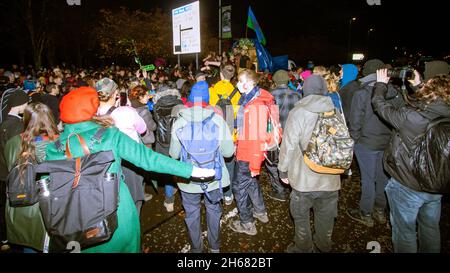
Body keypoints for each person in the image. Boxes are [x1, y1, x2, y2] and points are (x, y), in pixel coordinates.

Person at [44, 86, 213, 253]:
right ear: (91, 110)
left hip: (74, 222)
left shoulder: (52, 148)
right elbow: (148, 159)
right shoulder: (109, 135)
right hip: (115, 214)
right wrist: (190, 170)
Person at [372, 70, 450, 253]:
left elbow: (380, 106)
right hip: (436, 182)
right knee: (430, 227)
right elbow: (430, 105)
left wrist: (381, 84)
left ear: (430, 92)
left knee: (404, 231)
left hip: (407, 183)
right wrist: (416, 84)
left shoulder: (413, 117)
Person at [278, 74, 341, 253]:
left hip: (304, 178)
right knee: (326, 216)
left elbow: (288, 144)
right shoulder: (334, 110)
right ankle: (324, 245)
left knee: (300, 215)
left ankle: (303, 247)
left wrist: (283, 170)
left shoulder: (298, 112)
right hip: (330, 176)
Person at [170, 81, 234, 253]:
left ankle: (196, 250)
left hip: (188, 179)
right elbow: (228, 153)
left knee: (191, 214)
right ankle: (214, 247)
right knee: (214, 211)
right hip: (213, 177)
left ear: (190, 98)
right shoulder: (218, 120)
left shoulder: (179, 122)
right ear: (207, 99)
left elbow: (174, 155)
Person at [347, 59, 402, 227]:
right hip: (386, 142)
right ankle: (380, 209)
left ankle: (366, 212)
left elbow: (355, 121)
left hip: (366, 143)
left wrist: (354, 140)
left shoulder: (362, 93)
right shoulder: (395, 93)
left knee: (368, 178)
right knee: (382, 176)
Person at [228, 69, 278, 236]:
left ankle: (247, 223)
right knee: (250, 182)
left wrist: (255, 165)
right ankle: (260, 211)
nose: (236, 84)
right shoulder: (252, 98)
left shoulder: (255, 106)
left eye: (239, 81)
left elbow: (257, 139)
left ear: (248, 84)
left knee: (239, 187)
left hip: (249, 155)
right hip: (247, 150)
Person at [4, 103, 59, 252]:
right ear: (50, 118)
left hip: (21, 205)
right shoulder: (58, 142)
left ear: (26, 119)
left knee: (29, 246)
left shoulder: (12, 143)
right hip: (51, 208)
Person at [266, 70, 301, 202]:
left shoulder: (270, 95)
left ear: (275, 81)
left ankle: (279, 190)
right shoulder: (297, 95)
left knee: (273, 163)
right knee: (292, 161)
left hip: (276, 135)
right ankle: (293, 188)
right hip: (293, 134)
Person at [0, 88, 29, 251]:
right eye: (25, 103)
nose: (27, 105)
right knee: (11, 207)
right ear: (19, 104)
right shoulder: (17, 125)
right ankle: (12, 237)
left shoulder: (4, 122)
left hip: (2, 172)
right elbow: (15, 151)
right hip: (11, 173)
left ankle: (5, 237)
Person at [209, 64, 241, 206]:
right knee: (229, 163)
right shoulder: (237, 93)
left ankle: (214, 192)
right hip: (230, 134)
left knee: (214, 162)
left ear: (221, 74)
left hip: (215, 132)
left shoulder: (212, 90)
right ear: (232, 76)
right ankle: (228, 194)